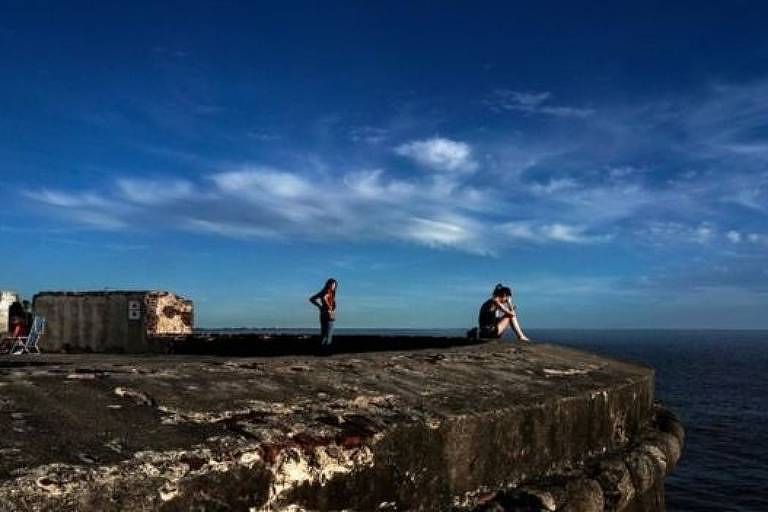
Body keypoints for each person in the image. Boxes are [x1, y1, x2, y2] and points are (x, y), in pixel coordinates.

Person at [309, 278, 337, 351]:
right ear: (329, 285)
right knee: (328, 333)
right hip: (328, 314)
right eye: (333, 284)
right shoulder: (328, 292)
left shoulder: (323, 291)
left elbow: (312, 299)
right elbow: (324, 298)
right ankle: (325, 350)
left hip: (323, 314)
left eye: (334, 285)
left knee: (324, 333)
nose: (334, 286)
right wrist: (329, 307)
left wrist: (319, 306)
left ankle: (322, 349)